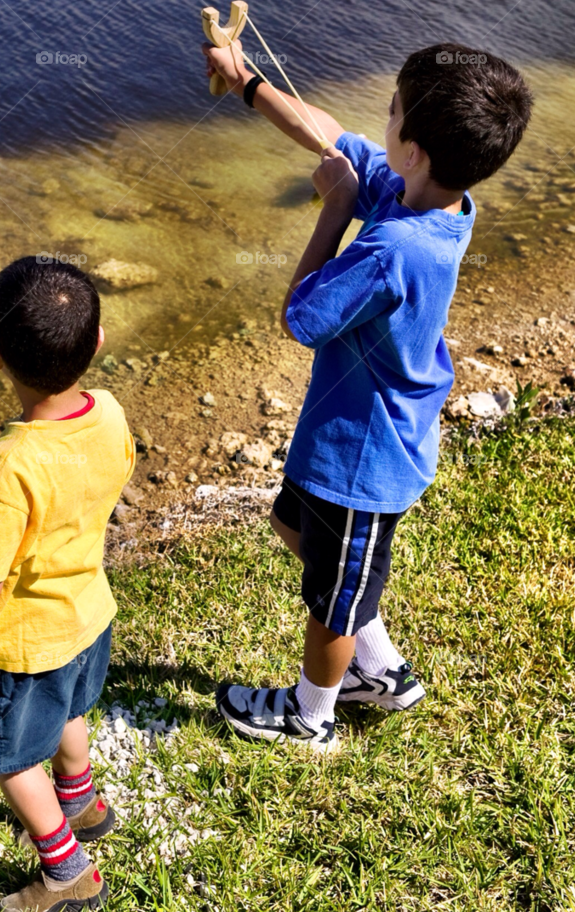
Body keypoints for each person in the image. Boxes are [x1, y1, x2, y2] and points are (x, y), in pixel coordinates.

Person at [204, 39, 533, 751]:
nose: (377, 121)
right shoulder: (438, 199)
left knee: (331, 605)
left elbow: (301, 318)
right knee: (295, 531)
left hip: (362, 459)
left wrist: (333, 212)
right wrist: (248, 84)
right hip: (348, 440)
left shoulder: (393, 246)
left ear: (411, 150)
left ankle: (310, 714)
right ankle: (378, 672)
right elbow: (328, 134)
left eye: (390, 113)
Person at [0, 256, 136, 912]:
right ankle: (81, 800)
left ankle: (68, 870)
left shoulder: (6, 467)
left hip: (22, 647)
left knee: (12, 758)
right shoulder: (106, 412)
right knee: (67, 711)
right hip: (86, 615)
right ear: (97, 344)